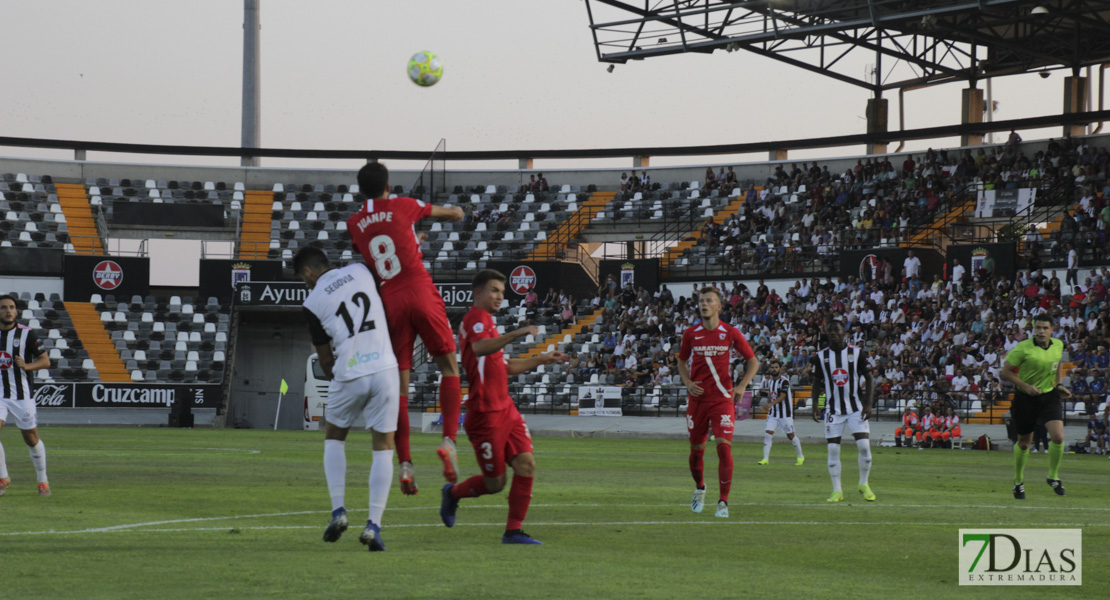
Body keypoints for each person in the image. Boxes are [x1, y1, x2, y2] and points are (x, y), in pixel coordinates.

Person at [347, 161, 465, 494]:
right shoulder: (404, 205)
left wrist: (414, 240)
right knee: (449, 367)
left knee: (400, 385)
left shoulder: (354, 222)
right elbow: (449, 214)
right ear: (388, 186)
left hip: (390, 299)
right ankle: (449, 442)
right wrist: (456, 211)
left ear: (361, 190)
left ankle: (406, 464)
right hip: (419, 289)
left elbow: (382, 248)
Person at [440, 269, 567, 545]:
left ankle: (513, 531)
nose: (500, 295)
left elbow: (504, 366)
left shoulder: (487, 322)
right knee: (495, 484)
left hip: (506, 409)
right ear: (478, 293)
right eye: (494, 290)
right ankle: (452, 494)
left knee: (526, 463)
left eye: (501, 291)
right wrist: (519, 331)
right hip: (485, 415)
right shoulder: (476, 318)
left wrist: (543, 358)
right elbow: (479, 349)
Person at [294, 247, 400, 550]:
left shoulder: (311, 302)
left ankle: (339, 510)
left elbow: (325, 359)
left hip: (350, 371)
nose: (307, 284)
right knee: (383, 448)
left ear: (309, 273)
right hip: (384, 368)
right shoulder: (362, 270)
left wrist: (339, 378)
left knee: (334, 437)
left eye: (305, 279)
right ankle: (374, 526)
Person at [677, 286, 760, 518]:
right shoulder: (691, 334)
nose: (703, 304)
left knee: (724, 448)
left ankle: (723, 501)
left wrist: (742, 385)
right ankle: (700, 487)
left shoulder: (730, 333)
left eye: (709, 301)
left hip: (722, 400)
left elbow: (753, 362)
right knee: (696, 451)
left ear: (718, 306)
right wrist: (687, 382)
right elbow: (681, 362)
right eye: (701, 300)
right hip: (697, 401)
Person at [1000, 313, 1072, 499]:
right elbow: (1006, 372)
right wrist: (1025, 386)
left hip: (1049, 395)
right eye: (1038, 328)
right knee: (1024, 443)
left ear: (1052, 330)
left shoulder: (1058, 345)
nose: (1041, 331)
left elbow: (1058, 364)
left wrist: (1059, 384)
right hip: (1025, 398)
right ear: (1034, 330)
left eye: (1045, 328)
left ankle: (1053, 477)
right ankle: (1018, 482)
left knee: (1058, 437)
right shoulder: (1023, 348)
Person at [810, 320, 876, 502]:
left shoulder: (857, 353)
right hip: (833, 410)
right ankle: (837, 490)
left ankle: (864, 483)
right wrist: (815, 403)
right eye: (829, 332)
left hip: (856, 408)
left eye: (836, 332)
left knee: (864, 447)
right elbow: (816, 381)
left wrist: (868, 404)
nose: (833, 335)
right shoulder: (821, 357)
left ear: (844, 333)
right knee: (832, 449)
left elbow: (870, 379)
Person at [0, 294, 51, 497]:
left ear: (17, 311)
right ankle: (3, 477)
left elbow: (45, 361)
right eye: (4, 307)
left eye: (11, 307)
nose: (8, 310)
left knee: (31, 439)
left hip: (22, 395)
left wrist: (27, 365)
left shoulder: (27, 334)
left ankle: (43, 480)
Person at [757, 360, 804, 466]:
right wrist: (768, 405)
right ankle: (765, 459)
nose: (774, 369)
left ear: (780, 369)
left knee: (791, 436)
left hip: (785, 414)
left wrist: (770, 404)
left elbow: (783, 396)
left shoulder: (784, 381)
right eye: (772, 367)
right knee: (768, 433)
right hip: (773, 414)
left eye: (776, 367)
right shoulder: (770, 382)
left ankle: (800, 456)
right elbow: (772, 395)